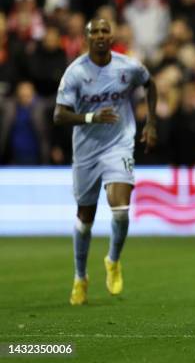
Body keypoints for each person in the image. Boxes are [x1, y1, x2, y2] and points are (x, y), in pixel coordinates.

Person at [53, 18, 158, 305]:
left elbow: (150, 84)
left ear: (111, 36)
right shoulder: (75, 72)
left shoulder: (128, 67)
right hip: (86, 150)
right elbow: (59, 115)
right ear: (87, 38)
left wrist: (151, 123)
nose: (100, 35)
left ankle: (112, 260)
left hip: (119, 144)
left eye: (104, 31)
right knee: (85, 219)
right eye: (94, 32)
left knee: (121, 209)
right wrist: (91, 117)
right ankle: (80, 277)